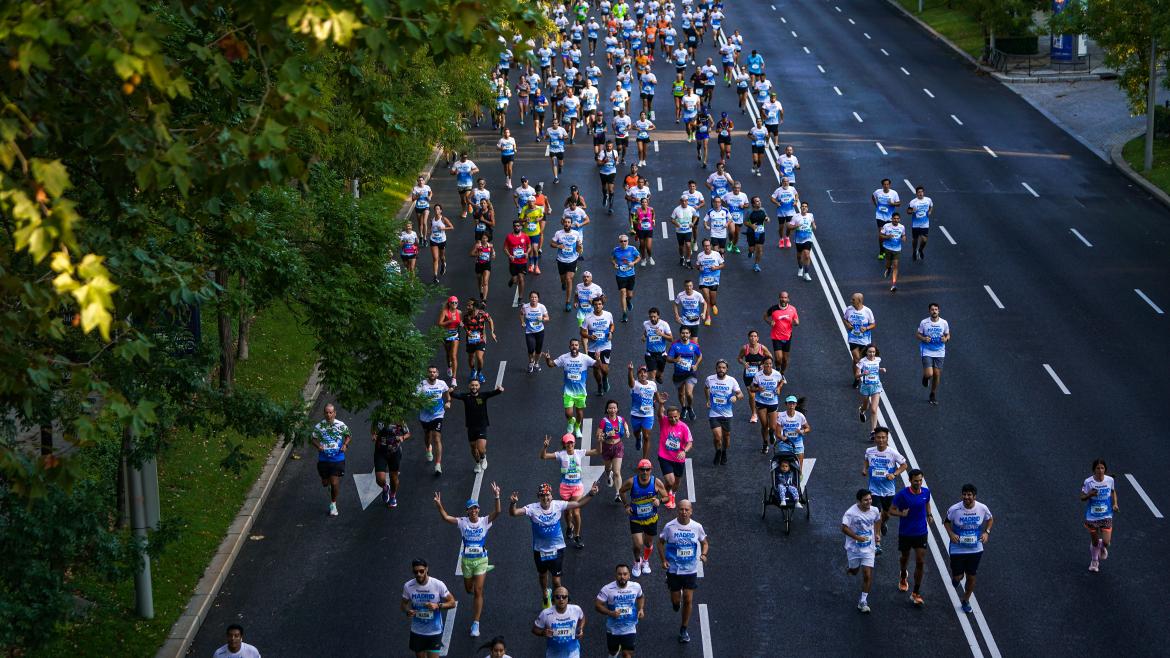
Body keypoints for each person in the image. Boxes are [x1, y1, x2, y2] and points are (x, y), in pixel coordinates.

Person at [510, 481, 600, 608]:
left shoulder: (558, 505)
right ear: (538, 497)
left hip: (556, 549)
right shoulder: (532, 509)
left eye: (547, 495)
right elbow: (513, 513)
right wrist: (513, 503)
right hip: (540, 550)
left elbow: (578, 503)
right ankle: (545, 593)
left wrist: (591, 494)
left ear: (551, 496)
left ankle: (559, 603)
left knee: (557, 580)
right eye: (542, 496)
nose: (545, 498)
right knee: (542, 575)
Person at [434, 484, 503, 637]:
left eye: (475, 508)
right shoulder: (463, 522)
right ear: (467, 511)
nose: (473, 511)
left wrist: (496, 495)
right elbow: (446, 517)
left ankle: (475, 624)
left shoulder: (484, 521)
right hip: (466, 562)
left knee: (478, 591)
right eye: (471, 509)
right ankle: (478, 578)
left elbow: (498, 511)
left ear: (478, 509)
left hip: (481, 561)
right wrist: (439, 505)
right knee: (468, 589)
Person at [657, 499, 708, 643]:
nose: (684, 512)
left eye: (687, 509)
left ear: (691, 511)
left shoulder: (697, 527)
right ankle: (675, 601)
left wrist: (703, 554)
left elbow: (704, 543)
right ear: (677, 510)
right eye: (681, 509)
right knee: (676, 602)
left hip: (690, 569)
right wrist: (663, 561)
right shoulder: (670, 527)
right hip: (673, 569)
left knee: (688, 598)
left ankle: (684, 629)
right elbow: (660, 543)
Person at [541, 433, 601, 549]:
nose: (570, 444)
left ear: (574, 443)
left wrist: (599, 441)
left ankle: (577, 536)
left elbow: (597, 452)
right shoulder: (561, 454)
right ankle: (569, 526)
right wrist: (545, 447)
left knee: (576, 512)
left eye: (571, 442)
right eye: (567, 442)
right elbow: (543, 456)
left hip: (577, 488)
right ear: (564, 444)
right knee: (567, 512)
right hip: (565, 488)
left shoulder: (579, 452)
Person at [944, 484, 994, 614]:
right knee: (958, 577)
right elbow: (946, 522)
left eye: (969, 495)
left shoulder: (982, 508)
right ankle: (956, 578)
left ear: (974, 496)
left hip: (975, 548)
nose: (966, 497)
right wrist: (951, 534)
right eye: (964, 494)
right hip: (957, 549)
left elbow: (990, 519)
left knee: (971, 576)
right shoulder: (955, 509)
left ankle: (965, 600)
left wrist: (986, 532)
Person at [619, 457, 668, 577]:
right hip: (635, 518)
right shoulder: (632, 482)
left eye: (647, 470)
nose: (645, 472)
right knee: (637, 544)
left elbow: (667, 497)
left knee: (648, 543)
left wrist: (660, 501)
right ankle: (637, 561)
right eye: (642, 469)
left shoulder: (656, 482)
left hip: (651, 519)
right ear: (638, 470)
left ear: (651, 470)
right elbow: (621, 491)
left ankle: (645, 561)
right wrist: (626, 505)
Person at [889, 468, 932, 606]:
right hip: (906, 533)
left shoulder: (926, 492)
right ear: (910, 480)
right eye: (915, 481)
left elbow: (927, 502)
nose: (918, 483)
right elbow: (891, 510)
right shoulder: (902, 495)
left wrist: (929, 514)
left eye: (920, 480)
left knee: (920, 561)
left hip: (921, 533)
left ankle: (916, 592)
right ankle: (903, 575)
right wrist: (902, 514)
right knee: (905, 557)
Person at [863, 427, 907, 555]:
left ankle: (883, 523)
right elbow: (866, 460)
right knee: (877, 515)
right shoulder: (869, 451)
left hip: (888, 491)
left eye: (883, 437)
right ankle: (877, 543)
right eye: (878, 437)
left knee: (887, 514)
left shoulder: (893, 453)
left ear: (887, 439)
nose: (881, 440)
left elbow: (904, 465)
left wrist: (895, 474)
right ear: (875, 438)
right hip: (874, 490)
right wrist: (864, 469)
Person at [401, 559, 457, 657]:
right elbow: (403, 605)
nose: (419, 574)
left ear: (427, 569)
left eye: (421, 571)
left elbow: (452, 603)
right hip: (417, 631)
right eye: (415, 572)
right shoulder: (408, 586)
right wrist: (407, 611)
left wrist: (438, 605)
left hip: (434, 631)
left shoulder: (438, 584)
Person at [545, 339, 597, 438]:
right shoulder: (564, 357)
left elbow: (597, 365)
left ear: (579, 347)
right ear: (569, 346)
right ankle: (571, 421)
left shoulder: (585, 358)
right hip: (568, 391)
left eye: (576, 345)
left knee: (579, 413)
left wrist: (598, 359)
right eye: (572, 345)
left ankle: (577, 427)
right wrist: (548, 359)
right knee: (568, 413)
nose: (574, 346)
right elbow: (551, 364)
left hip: (581, 392)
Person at [841, 490, 882, 613]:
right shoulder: (851, 513)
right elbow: (843, 528)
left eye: (870, 499)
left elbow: (878, 520)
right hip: (854, 548)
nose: (869, 502)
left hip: (868, 547)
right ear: (859, 501)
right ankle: (851, 568)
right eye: (865, 500)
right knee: (854, 571)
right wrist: (857, 538)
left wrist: (877, 534)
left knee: (867, 574)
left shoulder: (874, 510)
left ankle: (863, 601)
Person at [451, 379, 504, 474]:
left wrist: (500, 389)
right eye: (472, 385)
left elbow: (495, 392)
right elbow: (455, 395)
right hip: (471, 427)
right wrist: (450, 391)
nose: (474, 387)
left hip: (482, 425)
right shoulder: (465, 396)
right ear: (469, 386)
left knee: (481, 448)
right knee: (473, 448)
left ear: (479, 386)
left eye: (476, 385)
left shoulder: (483, 396)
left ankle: (483, 457)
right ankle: (477, 463)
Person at [652, 391, 692, 509]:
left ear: (679, 415)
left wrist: (684, 451)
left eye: (675, 417)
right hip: (664, 456)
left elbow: (689, 442)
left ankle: (671, 495)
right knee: (670, 481)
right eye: (670, 417)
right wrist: (661, 404)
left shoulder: (684, 427)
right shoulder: (664, 422)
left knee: (676, 483)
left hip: (679, 459)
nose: (673, 419)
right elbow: (660, 414)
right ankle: (667, 496)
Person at [595, 564, 645, 658]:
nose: (622, 577)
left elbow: (641, 596)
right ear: (616, 575)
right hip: (613, 629)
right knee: (613, 652)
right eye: (620, 574)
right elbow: (597, 605)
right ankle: (614, 653)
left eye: (625, 574)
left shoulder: (636, 586)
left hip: (629, 628)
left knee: (627, 655)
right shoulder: (607, 589)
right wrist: (610, 613)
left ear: (629, 575)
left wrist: (641, 609)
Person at [312, 403, 350, 517]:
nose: (329, 415)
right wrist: (318, 446)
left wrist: (345, 445)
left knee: (334, 482)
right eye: (327, 412)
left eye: (331, 412)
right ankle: (329, 485)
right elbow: (313, 439)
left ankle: (333, 504)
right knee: (325, 483)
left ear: (334, 413)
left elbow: (348, 435)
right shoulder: (319, 426)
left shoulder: (341, 425)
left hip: (337, 458)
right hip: (324, 459)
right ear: (324, 413)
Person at [1081, 458, 1119, 573]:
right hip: (1092, 516)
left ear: (1105, 469)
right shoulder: (1088, 482)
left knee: (1106, 542)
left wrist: (1115, 504)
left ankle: (1102, 548)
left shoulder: (1110, 480)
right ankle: (1094, 561)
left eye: (1102, 468)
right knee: (1095, 542)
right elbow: (1082, 497)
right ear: (1094, 470)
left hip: (1106, 515)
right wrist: (1089, 494)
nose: (1100, 470)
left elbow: (1113, 492)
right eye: (1098, 468)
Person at [704, 359, 743, 465]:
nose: (721, 369)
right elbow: (706, 388)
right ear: (716, 369)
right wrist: (708, 400)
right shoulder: (710, 379)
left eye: (723, 368)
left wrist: (736, 397)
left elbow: (741, 394)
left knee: (726, 437)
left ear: (727, 369)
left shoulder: (732, 380)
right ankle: (718, 451)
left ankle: (724, 452)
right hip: (714, 413)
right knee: (717, 437)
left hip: (727, 414)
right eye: (719, 367)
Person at [532, 586, 587, 657]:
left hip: (573, 653)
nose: (561, 599)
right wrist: (543, 632)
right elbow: (534, 629)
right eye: (558, 597)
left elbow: (582, 618)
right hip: (553, 654)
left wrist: (581, 628)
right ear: (553, 599)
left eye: (564, 597)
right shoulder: (545, 613)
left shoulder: (576, 609)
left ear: (568, 598)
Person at [417, 366, 452, 476]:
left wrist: (449, 401)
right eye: (430, 372)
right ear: (427, 373)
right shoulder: (421, 384)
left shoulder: (441, 383)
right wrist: (422, 402)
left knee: (437, 437)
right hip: (425, 415)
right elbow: (416, 398)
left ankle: (438, 464)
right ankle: (428, 448)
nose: (432, 373)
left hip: (438, 414)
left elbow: (447, 391)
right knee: (427, 436)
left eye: (434, 372)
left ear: (437, 374)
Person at [665, 326, 702, 420]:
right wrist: (675, 360)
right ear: (680, 334)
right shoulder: (675, 345)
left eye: (687, 333)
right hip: (678, 373)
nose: (685, 335)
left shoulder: (694, 345)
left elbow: (700, 355)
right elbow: (668, 359)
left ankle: (690, 407)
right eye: (683, 333)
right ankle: (684, 407)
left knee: (689, 393)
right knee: (681, 394)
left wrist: (696, 365)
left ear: (689, 334)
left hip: (690, 373)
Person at [916, 303, 950, 405]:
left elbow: (948, 334)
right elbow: (917, 334)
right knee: (929, 373)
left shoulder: (944, 323)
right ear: (929, 311)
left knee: (937, 374)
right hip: (927, 350)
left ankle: (933, 394)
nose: (934, 311)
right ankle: (926, 377)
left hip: (939, 351)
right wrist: (923, 338)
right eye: (932, 309)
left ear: (939, 311)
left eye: (936, 309)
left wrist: (946, 339)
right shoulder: (924, 323)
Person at [581, 296, 616, 395]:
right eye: (596, 304)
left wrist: (610, 332)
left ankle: (605, 378)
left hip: (605, 346)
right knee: (596, 369)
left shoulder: (608, 315)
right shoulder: (588, 317)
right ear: (593, 306)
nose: (598, 306)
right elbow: (582, 332)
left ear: (602, 305)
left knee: (604, 369)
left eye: (599, 304)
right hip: (593, 348)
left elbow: (612, 325)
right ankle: (599, 385)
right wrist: (589, 336)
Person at [372, 419, 410, 508]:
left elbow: (408, 433)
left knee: (394, 477)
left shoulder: (399, 420)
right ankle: (385, 488)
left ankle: (392, 496)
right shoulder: (378, 417)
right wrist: (374, 435)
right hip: (380, 452)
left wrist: (402, 437)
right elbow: (373, 430)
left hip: (394, 452)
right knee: (380, 479)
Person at [750, 356, 784, 453]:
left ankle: (771, 434)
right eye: (766, 363)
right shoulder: (758, 375)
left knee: (772, 427)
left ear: (772, 364)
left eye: (770, 363)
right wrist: (758, 389)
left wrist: (779, 388)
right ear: (763, 364)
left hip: (773, 402)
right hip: (761, 402)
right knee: (764, 425)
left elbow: (781, 381)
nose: (768, 365)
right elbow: (752, 388)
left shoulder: (777, 374)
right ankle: (765, 444)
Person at [842, 293, 876, 388]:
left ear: (859, 301)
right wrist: (847, 324)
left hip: (864, 340)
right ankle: (858, 378)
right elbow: (845, 319)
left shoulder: (867, 311)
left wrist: (867, 328)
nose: (851, 301)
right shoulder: (849, 309)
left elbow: (873, 324)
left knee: (857, 361)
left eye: (853, 300)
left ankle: (857, 377)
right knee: (857, 359)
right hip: (853, 338)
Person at [627, 362, 659, 459]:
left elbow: (657, 395)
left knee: (647, 437)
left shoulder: (652, 384)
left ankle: (644, 460)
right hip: (636, 414)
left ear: (647, 374)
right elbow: (630, 382)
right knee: (636, 433)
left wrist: (661, 400)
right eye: (640, 373)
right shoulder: (635, 384)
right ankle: (638, 437)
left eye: (644, 372)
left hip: (648, 415)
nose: (643, 374)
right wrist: (630, 371)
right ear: (637, 375)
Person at [552, 216, 585, 312]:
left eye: (568, 222)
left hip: (572, 260)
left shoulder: (576, 233)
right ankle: (562, 283)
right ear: (563, 223)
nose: (567, 224)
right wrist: (558, 245)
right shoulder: (558, 233)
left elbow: (579, 246)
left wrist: (580, 247)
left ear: (571, 224)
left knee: (569, 279)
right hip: (561, 260)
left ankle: (568, 302)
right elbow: (551, 243)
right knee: (563, 279)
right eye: (565, 222)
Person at [462, 300, 497, 384]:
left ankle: (479, 372)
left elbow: (490, 320)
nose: (467, 307)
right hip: (470, 340)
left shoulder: (483, 314)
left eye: (469, 305)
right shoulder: (466, 316)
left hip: (481, 339)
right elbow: (465, 325)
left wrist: (492, 332)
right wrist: (467, 331)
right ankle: (473, 370)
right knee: (471, 358)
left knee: (479, 358)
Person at [764, 291, 799, 377]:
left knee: (785, 360)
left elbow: (797, 321)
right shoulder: (773, 309)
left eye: (785, 298)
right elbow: (765, 316)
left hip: (787, 337)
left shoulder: (792, 309)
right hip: (776, 337)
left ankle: (782, 374)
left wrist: (796, 323)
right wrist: (769, 322)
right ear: (779, 298)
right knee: (778, 359)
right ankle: (777, 369)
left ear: (788, 299)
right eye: (782, 297)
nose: (783, 299)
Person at [737, 330, 768, 423]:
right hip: (749, 373)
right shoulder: (745, 348)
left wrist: (763, 364)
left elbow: (770, 357)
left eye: (755, 336)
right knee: (751, 395)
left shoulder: (762, 348)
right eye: (751, 336)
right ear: (748, 338)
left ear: (758, 338)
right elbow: (739, 358)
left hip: (760, 374)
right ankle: (754, 414)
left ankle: (765, 411)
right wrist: (743, 362)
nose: (753, 338)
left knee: (761, 393)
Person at [856, 345, 885, 437]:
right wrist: (862, 374)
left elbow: (875, 369)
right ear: (866, 352)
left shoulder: (878, 359)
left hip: (876, 386)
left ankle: (873, 431)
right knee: (866, 406)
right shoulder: (862, 362)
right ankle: (861, 411)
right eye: (870, 352)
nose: (872, 354)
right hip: (865, 387)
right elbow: (856, 375)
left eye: (873, 352)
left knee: (873, 409)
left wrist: (881, 369)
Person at [693, 239, 724, 325]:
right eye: (705, 246)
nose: (707, 247)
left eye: (708, 245)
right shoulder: (700, 255)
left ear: (710, 245)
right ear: (703, 247)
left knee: (712, 301)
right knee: (706, 299)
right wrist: (700, 268)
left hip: (714, 280)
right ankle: (708, 318)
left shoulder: (716, 254)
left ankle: (713, 305)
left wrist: (716, 268)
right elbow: (697, 266)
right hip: (704, 280)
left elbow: (723, 265)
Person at [775, 395, 810, 469]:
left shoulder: (800, 416)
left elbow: (808, 428)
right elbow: (777, 434)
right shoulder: (781, 416)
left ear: (796, 404)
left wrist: (801, 431)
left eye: (793, 403)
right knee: (784, 466)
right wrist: (784, 438)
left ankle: (799, 476)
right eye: (790, 403)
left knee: (799, 468)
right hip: (785, 444)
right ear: (786, 404)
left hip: (798, 444)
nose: (791, 405)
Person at [612, 234, 641, 323]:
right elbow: (612, 259)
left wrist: (633, 263)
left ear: (628, 241)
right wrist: (614, 264)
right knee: (623, 293)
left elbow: (639, 257)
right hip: (620, 276)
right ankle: (624, 314)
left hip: (630, 275)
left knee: (630, 295)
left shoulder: (632, 249)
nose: (623, 243)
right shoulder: (616, 250)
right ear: (619, 242)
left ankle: (628, 301)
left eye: (625, 241)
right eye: (622, 241)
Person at [871, 178, 901, 259]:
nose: (886, 186)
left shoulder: (894, 193)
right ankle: (881, 252)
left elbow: (899, 204)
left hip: (890, 217)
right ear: (882, 185)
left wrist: (893, 203)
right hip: (880, 216)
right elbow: (873, 196)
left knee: (888, 234)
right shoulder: (878, 192)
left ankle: (888, 250)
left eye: (887, 184)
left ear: (889, 185)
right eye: (884, 184)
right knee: (881, 234)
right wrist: (876, 205)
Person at [505, 220, 532, 305]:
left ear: (521, 227)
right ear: (513, 227)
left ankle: (520, 297)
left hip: (522, 262)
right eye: (515, 226)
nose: (516, 227)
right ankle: (512, 280)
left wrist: (527, 252)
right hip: (513, 262)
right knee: (515, 279)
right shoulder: (509, 237)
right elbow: (505, 248)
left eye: (518, 226)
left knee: (521, 278)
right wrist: (509, 255)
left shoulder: (525, 236)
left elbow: (529, 246)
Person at [522, 291, 550, 373]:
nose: (533, 299)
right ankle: (531, 362)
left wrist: (542, 319)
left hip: (540, 331)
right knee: (531, 349)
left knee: (538, 350)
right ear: (529, 298)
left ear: (538, 299)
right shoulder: (525, 307)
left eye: (535, 297)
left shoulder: (542, 307)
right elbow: (521, 314)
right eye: (532, 297)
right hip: (529, 332)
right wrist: (522, 322)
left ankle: (536, 363)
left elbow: (547, 318)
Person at [436, 296, 462, 385]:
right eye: (452, 302)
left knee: (453, 355)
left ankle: (454, 378)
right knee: (448, 354)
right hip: (446, 335)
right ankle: (449, 366)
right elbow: (439, 324)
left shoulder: (459, 312)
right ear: (449, 303)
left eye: (456, 303)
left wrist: (462, 324)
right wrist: (449, 321)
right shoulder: (445, 312)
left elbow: (461, 322)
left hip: (455, 335)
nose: (454, 304)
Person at [787, 201, 816, 282]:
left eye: (805, 206)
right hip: (798, 239)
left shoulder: (810, 215)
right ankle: (800, 267)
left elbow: (813, 222)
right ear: (800, 208)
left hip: (808, 238)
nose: (804, 207)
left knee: (807, 255)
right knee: (799, 256)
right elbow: (789, 226)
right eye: (802, 206)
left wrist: (814, 226)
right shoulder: (796, 216)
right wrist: (796, 226)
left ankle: (806, 273)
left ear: (807, 208)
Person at [427, 205, 455, 284]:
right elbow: (430, 228)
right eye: (435, 209)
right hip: (433, 240)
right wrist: (428, 232)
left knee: (441, 256)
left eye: (438, 209)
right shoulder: (432, 220)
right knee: (435, 258)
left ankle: (443, 264)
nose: (436, 210)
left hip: (442, 240)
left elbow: (452, 227)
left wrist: (443, 228)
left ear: (441, 211)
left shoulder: (443, 219)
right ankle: (435, 276)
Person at [769, 178, 799, 249]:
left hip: (790, 212)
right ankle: (781, 239)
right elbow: (772, 198)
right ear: (782, 182)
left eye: (787, 181)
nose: (785, 183)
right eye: (784, 181)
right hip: (781, 212)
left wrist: (796, 201)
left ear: (789, 182)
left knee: (789, 227)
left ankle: (787, 238)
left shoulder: (792, 188)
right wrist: (776, 203)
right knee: (781, 227)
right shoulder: (778, 190)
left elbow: (796, 194)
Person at [879, 212, 906, 292]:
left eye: (897, 219)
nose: (896, 220)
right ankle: (888, 268)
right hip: (887, 248)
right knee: (888, 264)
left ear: (899, 219)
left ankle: (894, 284)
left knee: (896, 265)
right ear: (891, 219)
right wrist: (887, 237)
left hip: (897, 249)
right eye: (894, 218)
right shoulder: (886, 226)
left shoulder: (902, 227)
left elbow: (903, 235)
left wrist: (904, 238)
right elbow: (880, 235)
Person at [670, 197, 698, 266]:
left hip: (688, 231)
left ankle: (688, 260)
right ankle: (682, 257)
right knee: (681, 246)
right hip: (679, 232)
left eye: (685, 201)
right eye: (682, 201)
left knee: (688, 245)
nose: (684, 202)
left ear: (687, 201)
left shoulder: (691, 209)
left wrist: (693, 223)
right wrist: (677, 224)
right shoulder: (676, 209)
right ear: (680, 201)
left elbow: (696, 216)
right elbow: (672, 219)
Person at [451, 154, 480, 219]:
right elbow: (451, 172)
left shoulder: (470, 162)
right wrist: (455, 172)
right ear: (460, 156)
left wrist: (472, 171)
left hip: (468, 183)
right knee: (462, 200)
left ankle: (469, 204)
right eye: (464, 157)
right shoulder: (456, 163)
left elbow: (477, 169)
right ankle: (464, 211)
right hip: (460, 184)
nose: (465, 158)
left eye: (466, 157)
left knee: (467, 197)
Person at [743, 195, 768, 272]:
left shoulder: (763, 210)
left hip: (760, 232)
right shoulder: (749, 212)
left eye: (759, 201)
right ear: (753, 204)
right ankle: (750, 252)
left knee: (759, 249)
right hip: (751, 233)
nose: (759, 202)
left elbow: (766, 217)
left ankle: (756, 265)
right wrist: (751, 225)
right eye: (757, 201)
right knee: (752, 249)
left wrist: (767, 219)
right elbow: (745, 222)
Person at [908, 185, 933, 261]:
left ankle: (920, 250)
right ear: (916, 193)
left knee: (924, 240)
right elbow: (908, 211)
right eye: (919, 192)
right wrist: (912, 211)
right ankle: (914, 251)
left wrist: (930, 211)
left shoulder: (928, 200)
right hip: (915, 224)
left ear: (923, 192)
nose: (920, 193)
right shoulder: (913, 202)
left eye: (922, 191)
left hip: (925, 223)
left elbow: (931, 206)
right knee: (915, 239)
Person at [471, 231, 496, 303]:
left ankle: (484, 299)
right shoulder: (478, 245)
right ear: (481, 239)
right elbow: (471, 253)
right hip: (479, 264)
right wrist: (478, 254)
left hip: (487, 265)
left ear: (488, 239)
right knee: (479, 280)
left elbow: (493, 252)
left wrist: (494, 255)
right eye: (483, 238)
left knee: (485, 282)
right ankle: (481, 291)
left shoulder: (490, 245)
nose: (484, 240)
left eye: (486, 238)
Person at [411, 175, 433, 244]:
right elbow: (413, 199)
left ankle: (425, 238)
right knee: (420, 223)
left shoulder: (427, 187)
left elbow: (431, 192)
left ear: (424, 181)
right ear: (417, 181)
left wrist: (429, 197)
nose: (421, 181)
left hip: (426, 207)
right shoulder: (415, 188)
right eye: (419, 180)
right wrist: (418, 195)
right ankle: (421, 235)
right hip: (418, 207)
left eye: (422, 180)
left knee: (424, 222)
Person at [547, 118, 569, 184]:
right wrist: (545, 137)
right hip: (552, 149)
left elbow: (567, 137)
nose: (554, 124)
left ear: (558, 123)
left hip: (560, 149)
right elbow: (546, 136)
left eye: (555, 123)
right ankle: (556, 178)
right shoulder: (549, 129)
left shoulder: (562, 129)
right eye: (553, 123)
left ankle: (560, 167)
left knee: (560, 163)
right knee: (554, 163)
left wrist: (562, 137)